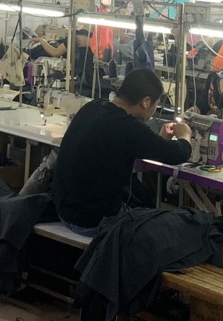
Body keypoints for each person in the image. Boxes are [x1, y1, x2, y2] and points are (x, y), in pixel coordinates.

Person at [51, 68, 192, 234]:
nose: (154, 110)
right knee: (165, 227)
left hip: (64, 212)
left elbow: (127, 148)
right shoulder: (128, 126)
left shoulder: (92, 107)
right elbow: (178, 154)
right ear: (146, 102)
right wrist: (185, 135)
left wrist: (161, 139)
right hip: (92, 221)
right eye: (156, 105)